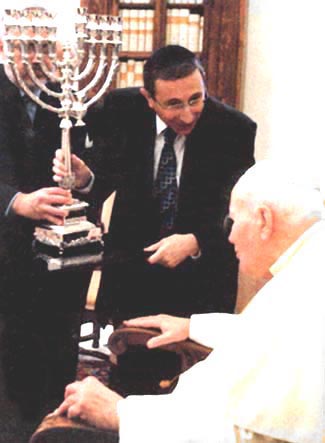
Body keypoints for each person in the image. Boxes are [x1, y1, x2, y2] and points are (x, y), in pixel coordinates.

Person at [55, 160, 325, 443]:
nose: (230, 237)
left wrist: (121, 413)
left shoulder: (306, 292)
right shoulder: (307, 265)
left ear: (264, 220)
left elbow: (253, 436)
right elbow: (268, 336)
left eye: (232, 221)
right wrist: (193, 326)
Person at [53, 45, 257, 325]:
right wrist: (85, 178)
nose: (187, 115)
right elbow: (103, 177)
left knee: (193, 368)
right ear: (149, 98)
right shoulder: (121, 110)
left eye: (196, 99)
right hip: (132, 273)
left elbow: (239, 211)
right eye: (173, 104)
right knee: (129, 362)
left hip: (200, 279)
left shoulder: (234, 130)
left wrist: (195, 241)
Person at [0, 9, 92, 442]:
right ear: (6, 47)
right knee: (10, 378)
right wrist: (17, 202)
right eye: (28, 47)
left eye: (44, 49)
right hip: (6, 261)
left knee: (55, 363)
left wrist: (82, 174)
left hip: (59, 265)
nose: (37, 59)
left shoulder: (65, 95)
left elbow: (93, 169)